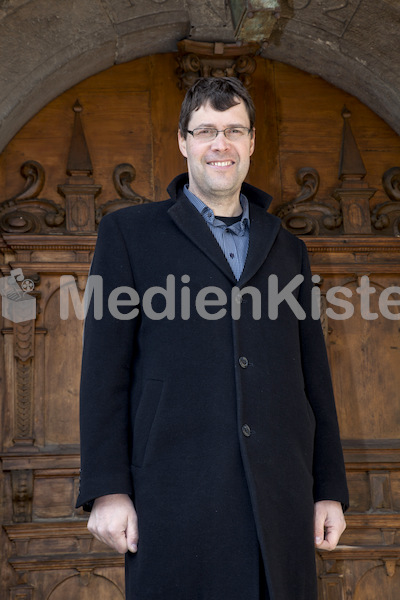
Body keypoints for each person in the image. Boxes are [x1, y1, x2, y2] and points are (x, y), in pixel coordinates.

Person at [76, 77, 348, 600]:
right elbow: (104, 371)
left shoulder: (289, 249)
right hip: (173, 496)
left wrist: (328, 490)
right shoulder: (129, 235)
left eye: (233, 131)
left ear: (250, 143)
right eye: (205, 130)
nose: (219, 144)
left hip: (280, 499)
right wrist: (108, 490)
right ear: (183, 142)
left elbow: (314, 377)